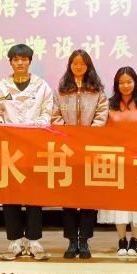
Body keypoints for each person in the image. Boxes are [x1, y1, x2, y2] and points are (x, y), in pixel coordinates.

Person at [0, 43, 56, 261]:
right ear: (10, 62)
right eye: (16, 59)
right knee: (10, 195)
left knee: (34, 194)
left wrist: (41, 123)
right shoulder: (2, 87)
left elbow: (48, 111)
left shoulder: (42, 86)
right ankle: (15, 241)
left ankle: (34, 241)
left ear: (30, 61)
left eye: (24, 59)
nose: (20, 63)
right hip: (9, 149)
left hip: (34, 147)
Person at [51, 50, 109, 260]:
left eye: (82, 64)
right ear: (70, 65)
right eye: (74, 63)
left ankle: (84, 241)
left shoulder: (97, 91)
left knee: (87, 198)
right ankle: (71, 241)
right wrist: (68, 136)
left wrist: (87, 137)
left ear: (88, 66)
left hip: (90, 150)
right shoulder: (61, 90)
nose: (78, 67)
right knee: (68, 198)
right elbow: (55, 116)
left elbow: (102, 116)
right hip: (67, 150)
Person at [98, 66, 137, 256]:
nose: (125, 85)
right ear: (116, 84)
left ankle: (135, 240)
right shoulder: (110, 104)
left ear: (135, 82)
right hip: (117, 160)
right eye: (121, 82)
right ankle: (122, 240)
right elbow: (105, 132)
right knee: (119, 202)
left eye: (129, 81)